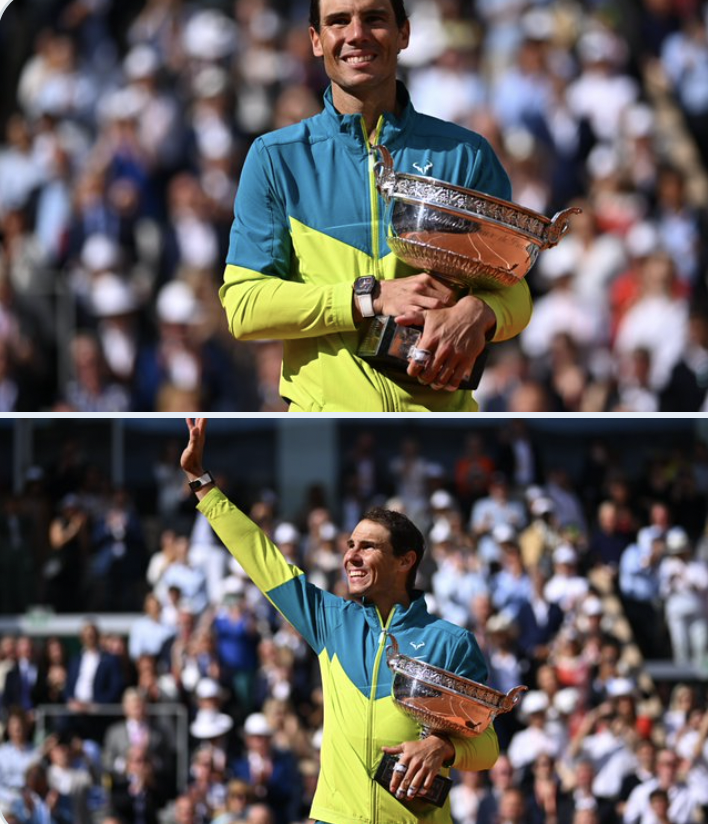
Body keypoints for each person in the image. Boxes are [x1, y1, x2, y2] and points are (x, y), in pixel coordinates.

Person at [178, 418, 516, 823]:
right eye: (349, 545)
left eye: (367, 547)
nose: (351, 556)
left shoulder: (451, 641)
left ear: (405, 561)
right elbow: (262, 559)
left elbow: (487, 748)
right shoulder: (330, 620)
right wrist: (203, 484)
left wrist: (443, 748)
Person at [219, 0, 531, 411]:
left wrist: (479, 311)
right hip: (327, 425)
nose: (356, 34)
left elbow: (515, 292)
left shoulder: (467, 154)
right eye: (338, 21)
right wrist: (369, 297)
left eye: (374, 18)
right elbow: (245, 307)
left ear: (404, 33)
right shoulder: (275, 158)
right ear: (316, 40)